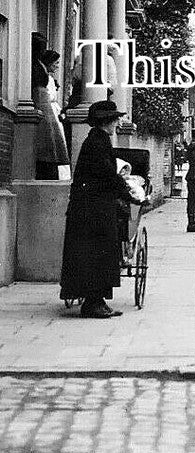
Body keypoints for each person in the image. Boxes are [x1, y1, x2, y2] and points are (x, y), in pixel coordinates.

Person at [59, 100, 134, 318]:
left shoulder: (98, 140)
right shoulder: (97, 143)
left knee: (96, 255)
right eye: (115, 119)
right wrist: (130, 194)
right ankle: (92, 303)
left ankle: (98, 300)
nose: (117, 123)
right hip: (91, 210)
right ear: (106, 122)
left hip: (92, 207)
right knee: (96, 255)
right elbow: (108, 174)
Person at [35, 49, 70, 180]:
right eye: (55, 63)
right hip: (49, 109)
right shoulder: (47, 79)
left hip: (54, 109)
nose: (57, 65)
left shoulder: (49, 78)